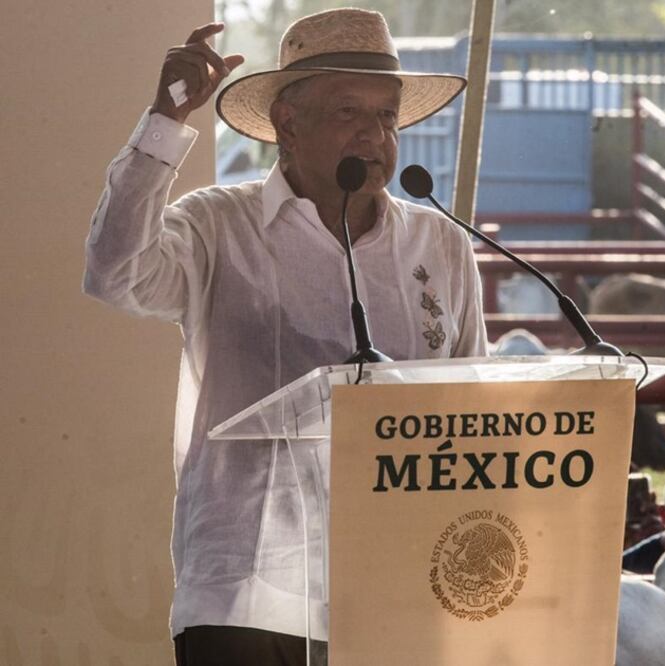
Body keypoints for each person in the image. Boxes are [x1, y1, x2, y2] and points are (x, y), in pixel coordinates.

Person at [83, 9, 486, 665]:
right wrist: (165, 124)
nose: (374, 134)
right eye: (349, 112)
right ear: (287, 125)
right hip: (245, 593)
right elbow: (114, 274)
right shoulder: (218, 225)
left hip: (399, 588)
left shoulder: (440, 243)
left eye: (386, 116)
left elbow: (473, 410)